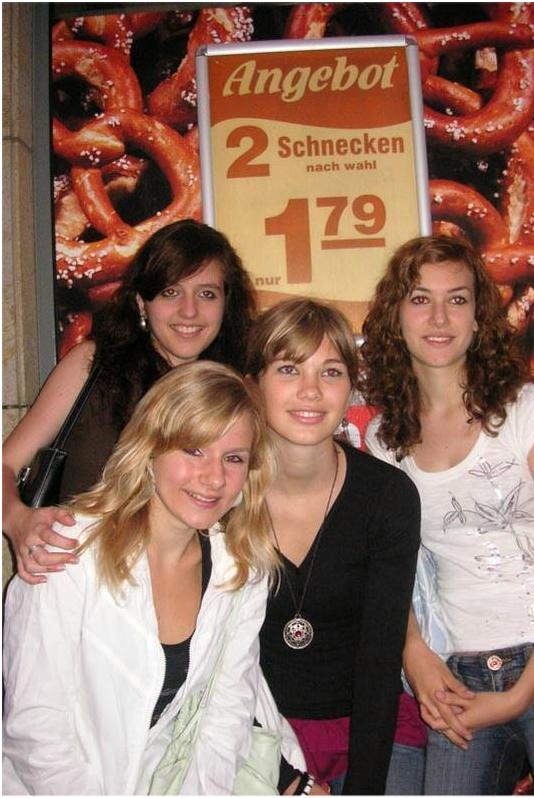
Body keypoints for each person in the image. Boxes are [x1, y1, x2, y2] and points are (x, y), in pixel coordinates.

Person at [361, 235, 534, 795]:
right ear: (396, 316)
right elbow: (390, 573)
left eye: (457, 299)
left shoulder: (525, 410)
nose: (439, 318)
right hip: (457, 678)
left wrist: (520, 695)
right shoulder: (383, 441)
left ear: (478, 317)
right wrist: (413, 652)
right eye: (420, 299)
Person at [3, 361, 308, 794]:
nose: (214, 477)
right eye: (194, 450)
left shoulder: (240, 571)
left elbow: (226, 717)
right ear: (150, 450)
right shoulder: (67, 551)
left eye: (234, 458)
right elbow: (36, 729)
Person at [3, 219, 256, 584]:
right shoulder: (91, 366)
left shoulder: (238, 391)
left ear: (226, 304)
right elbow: (5, 465)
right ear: (142, 302)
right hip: (79, 586)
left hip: (192, 591)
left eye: (206, 294)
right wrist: (18, 520)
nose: (189, 311)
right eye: (170, 292)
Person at [246, 298, 423, 795]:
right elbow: (213, 663)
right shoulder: (222, 495)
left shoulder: (386, 496)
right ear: (253, 384)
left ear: (350, 388)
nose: (311, 390)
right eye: (288, 369)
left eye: (331, 372)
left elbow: (380, 660)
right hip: (258, 732)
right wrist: (286, 779)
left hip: (372, 728)